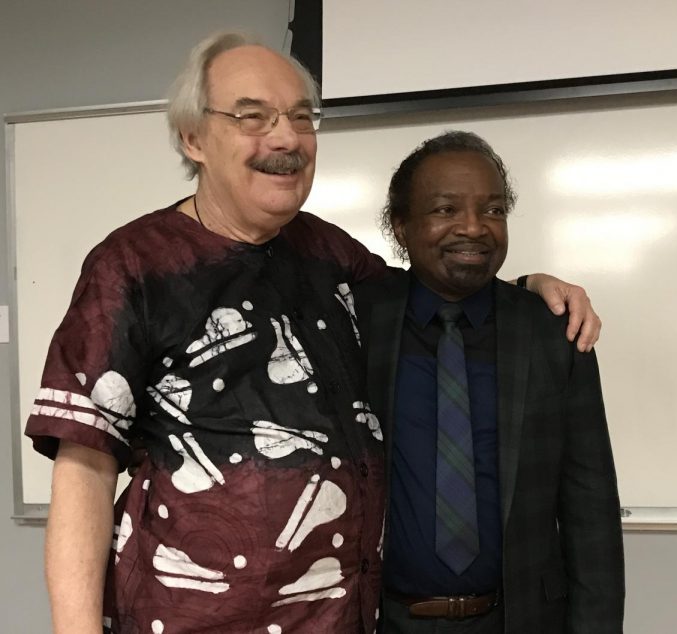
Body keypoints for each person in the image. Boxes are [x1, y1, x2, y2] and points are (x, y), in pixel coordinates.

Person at [24, 33, 601, 634]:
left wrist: (528, 288)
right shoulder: (133, 265)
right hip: (188, 618)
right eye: (253, 116)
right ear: (194, 138)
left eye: (302, 117)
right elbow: (83, 466)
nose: (286, 138)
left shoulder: (331, 255)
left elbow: (436, 292)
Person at [355, 132, 625, 633]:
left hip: (521, 620)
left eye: (494, 210)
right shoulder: (357, 324)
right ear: (401, 226)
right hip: (385, 621)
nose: (475, 228)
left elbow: (591, 513)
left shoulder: (554, 333)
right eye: (445, 210)